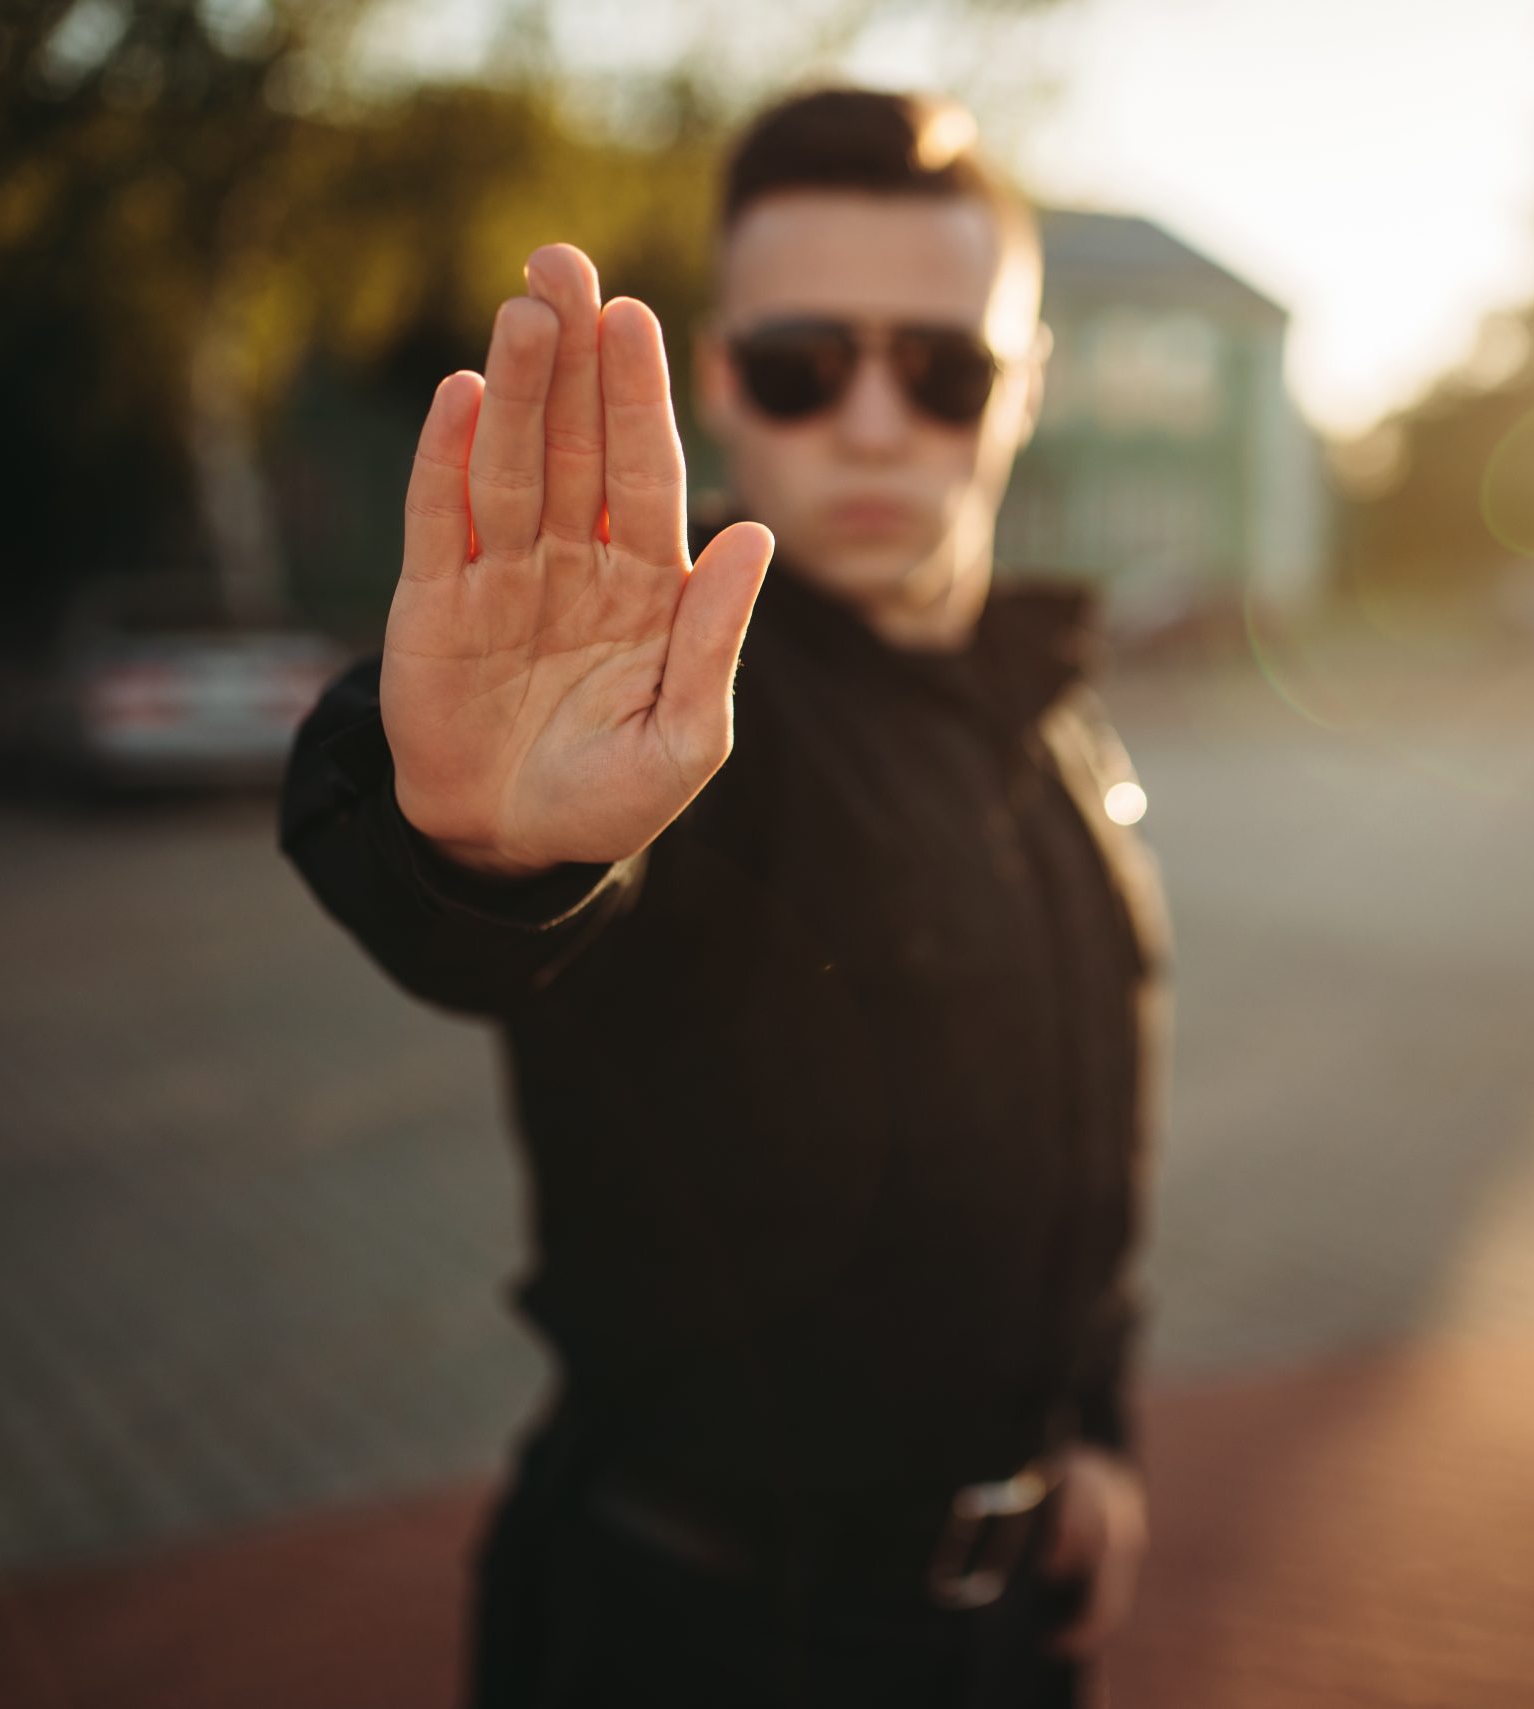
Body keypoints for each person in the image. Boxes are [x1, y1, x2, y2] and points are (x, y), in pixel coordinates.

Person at [280, 85, 1168, 1708]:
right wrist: (478, 842)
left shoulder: (1053, 723)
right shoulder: (661, 699)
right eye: (805, 363)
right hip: (692, 1636)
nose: (877, 424)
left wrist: (1092, 1432)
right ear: (717, 372)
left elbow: (1082, 1147)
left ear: (1026, 384)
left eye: (946, 368)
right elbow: (468, 889)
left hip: (1008, 1635)